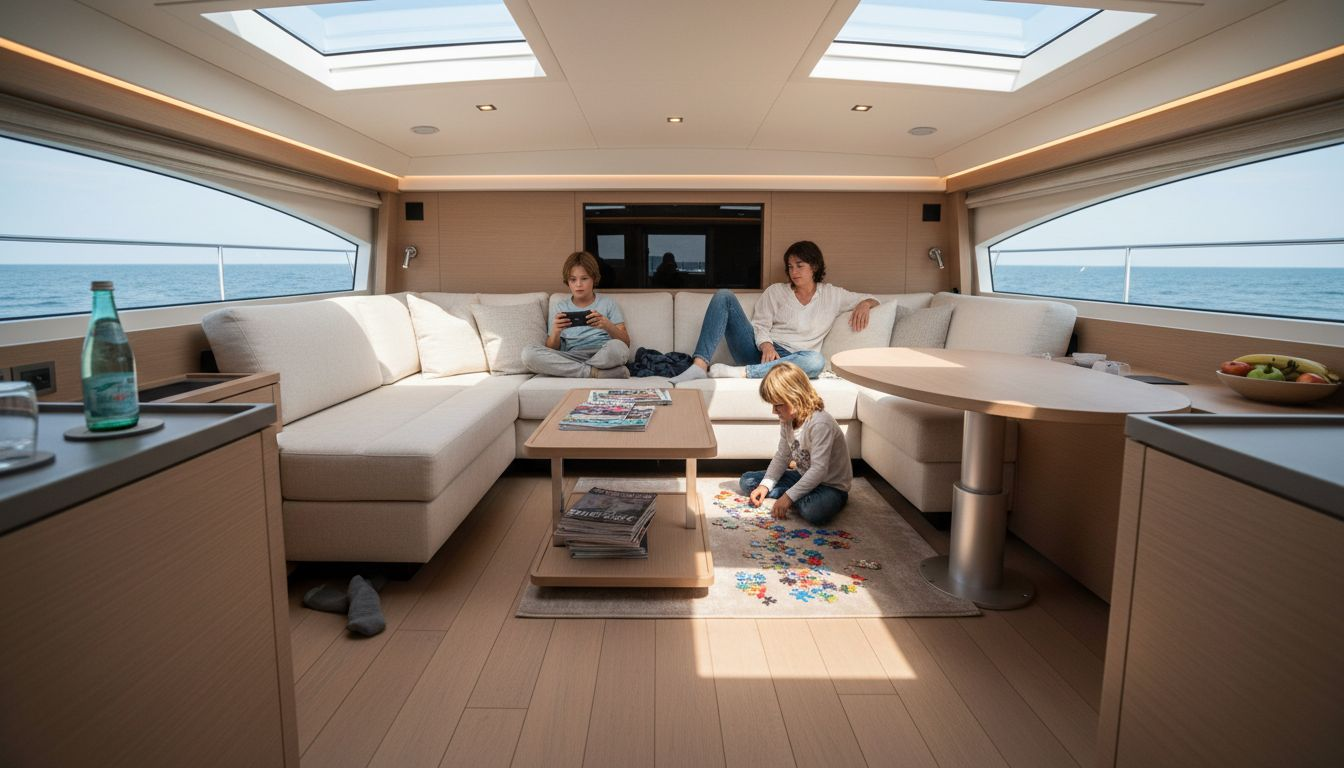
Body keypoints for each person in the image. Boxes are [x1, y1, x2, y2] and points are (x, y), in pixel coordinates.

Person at [668, 240, 878, 382]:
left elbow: (873, 298)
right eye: (790, 267)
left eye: (799, 265)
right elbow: (760, 324)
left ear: (814, 266)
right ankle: (698, 366)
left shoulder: (833, 295)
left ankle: (742, 373)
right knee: (724, 295)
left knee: (816, 362)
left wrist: (864, 304)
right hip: (759, 350)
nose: (793, 272)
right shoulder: (777, 291)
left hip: (795, 359)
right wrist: (767, 346)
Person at [740, 362, 850, 525]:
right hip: (803, 475)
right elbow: (782, 456)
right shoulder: (787, 419)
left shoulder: (821, 424)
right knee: (748, 481)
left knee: (814, 511)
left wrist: (788, 497)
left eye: (778, 405)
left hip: (830, 486)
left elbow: (819, 470)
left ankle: (793, 495)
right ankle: (795, 493)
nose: (773, 411)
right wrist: (765, 485)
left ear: (796, 397)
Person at [521, 250, 632, 378]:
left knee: (619, 348)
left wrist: (607, 325)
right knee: (528, 354)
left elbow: (626, 343)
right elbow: (551, 349)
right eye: (573, 280)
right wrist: (556, 331)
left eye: (584, 278)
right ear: (567, 281)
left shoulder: (608, 303)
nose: (578, 285)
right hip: (572, 355)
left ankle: (578, 369)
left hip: (602, 353)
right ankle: (593, 372)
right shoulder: (560, 307)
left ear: (594, 279)